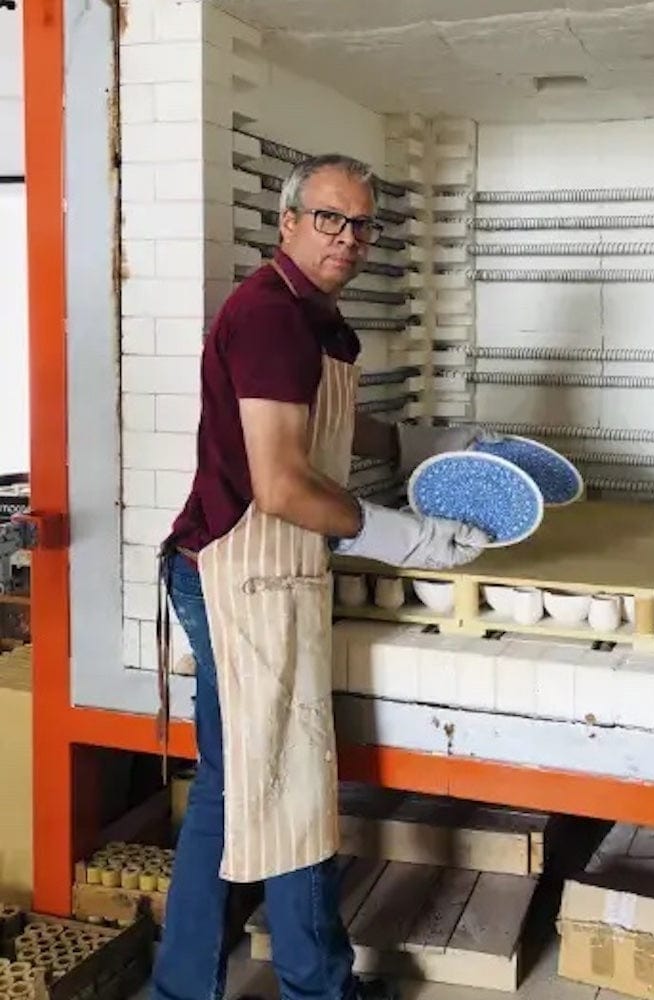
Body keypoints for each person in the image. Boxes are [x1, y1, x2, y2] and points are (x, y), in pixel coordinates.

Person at [151, 153, 492, 1000]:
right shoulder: (269, 317)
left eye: (361, 223)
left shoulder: (311, 316)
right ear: (289, 222)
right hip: (241, 575)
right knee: (290, 784)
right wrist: (409, 540)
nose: (347, 236)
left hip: (269, 571)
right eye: (329, 218)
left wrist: (417, 445)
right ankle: (313, 986)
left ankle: (186, 988)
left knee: (237, 788)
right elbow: (281, 483)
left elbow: (320, 427)